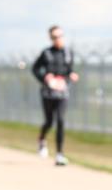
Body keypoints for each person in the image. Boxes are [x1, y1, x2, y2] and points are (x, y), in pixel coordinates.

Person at [31, 26, 79, 165]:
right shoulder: (46, 53)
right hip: (48, 92)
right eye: (54, 37)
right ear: (51, 38)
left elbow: (68, 70)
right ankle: (41, 139)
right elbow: (35, 69)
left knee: (61, 120)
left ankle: (59, 154)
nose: (58, 39)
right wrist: (44, 77)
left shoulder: (68, 53)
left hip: (62, 91)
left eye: (60, 36)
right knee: (49, 121)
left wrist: (72, 75)